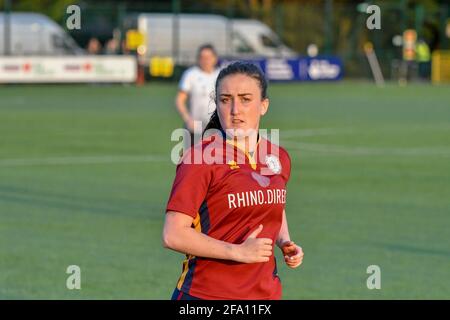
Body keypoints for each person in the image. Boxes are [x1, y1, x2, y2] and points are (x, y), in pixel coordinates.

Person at [163, 61, 304, 300]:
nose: (235, 109)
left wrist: (285, 241)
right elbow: (173, 234)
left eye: (245, 99)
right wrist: (237, 252)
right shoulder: (200, 159)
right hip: (206, 296)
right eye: (225, 100)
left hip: (265, 295)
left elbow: (274, 206)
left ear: (264, 106)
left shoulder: (277, 157)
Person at [175, 44, 220, 151]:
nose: (205, 60)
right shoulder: (191, 74)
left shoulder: (221, 75)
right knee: (192, 161)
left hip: (216, 126)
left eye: (208, 57)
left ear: (215, 58)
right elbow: (180, 100)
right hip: (195, 126)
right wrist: (187, 119)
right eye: (202, 57)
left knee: (216, 161)